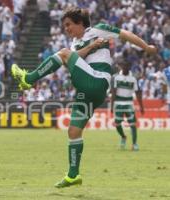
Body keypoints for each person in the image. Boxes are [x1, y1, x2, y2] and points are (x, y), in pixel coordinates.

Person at [11, 7, 157, 188]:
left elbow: (125, 34)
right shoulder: (74, 44)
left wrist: (146, 47)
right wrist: (91, 47)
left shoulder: (98, 30)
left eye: (68, 24)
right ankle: (73, 175)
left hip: (97, 80)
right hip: (87, 91)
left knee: (63, 53)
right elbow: (74, 57)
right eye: (64, 26)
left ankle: (29, 79)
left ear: (80, 23)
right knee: (73, 131)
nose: (66, 29)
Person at [110, 59, 144, 151]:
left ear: (129, 67)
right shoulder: (116, 77)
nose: (125, 68)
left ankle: (134, 144)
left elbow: (137, 93)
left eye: (127, 66)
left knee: (132, 124)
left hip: (129, 103)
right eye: (123, 66)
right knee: (117, 123)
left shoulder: (133, 78)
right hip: (118, 103)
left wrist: (141, 106)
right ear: (121, 66)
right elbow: (113, 92)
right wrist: (112, 106)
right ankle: (123, 136)